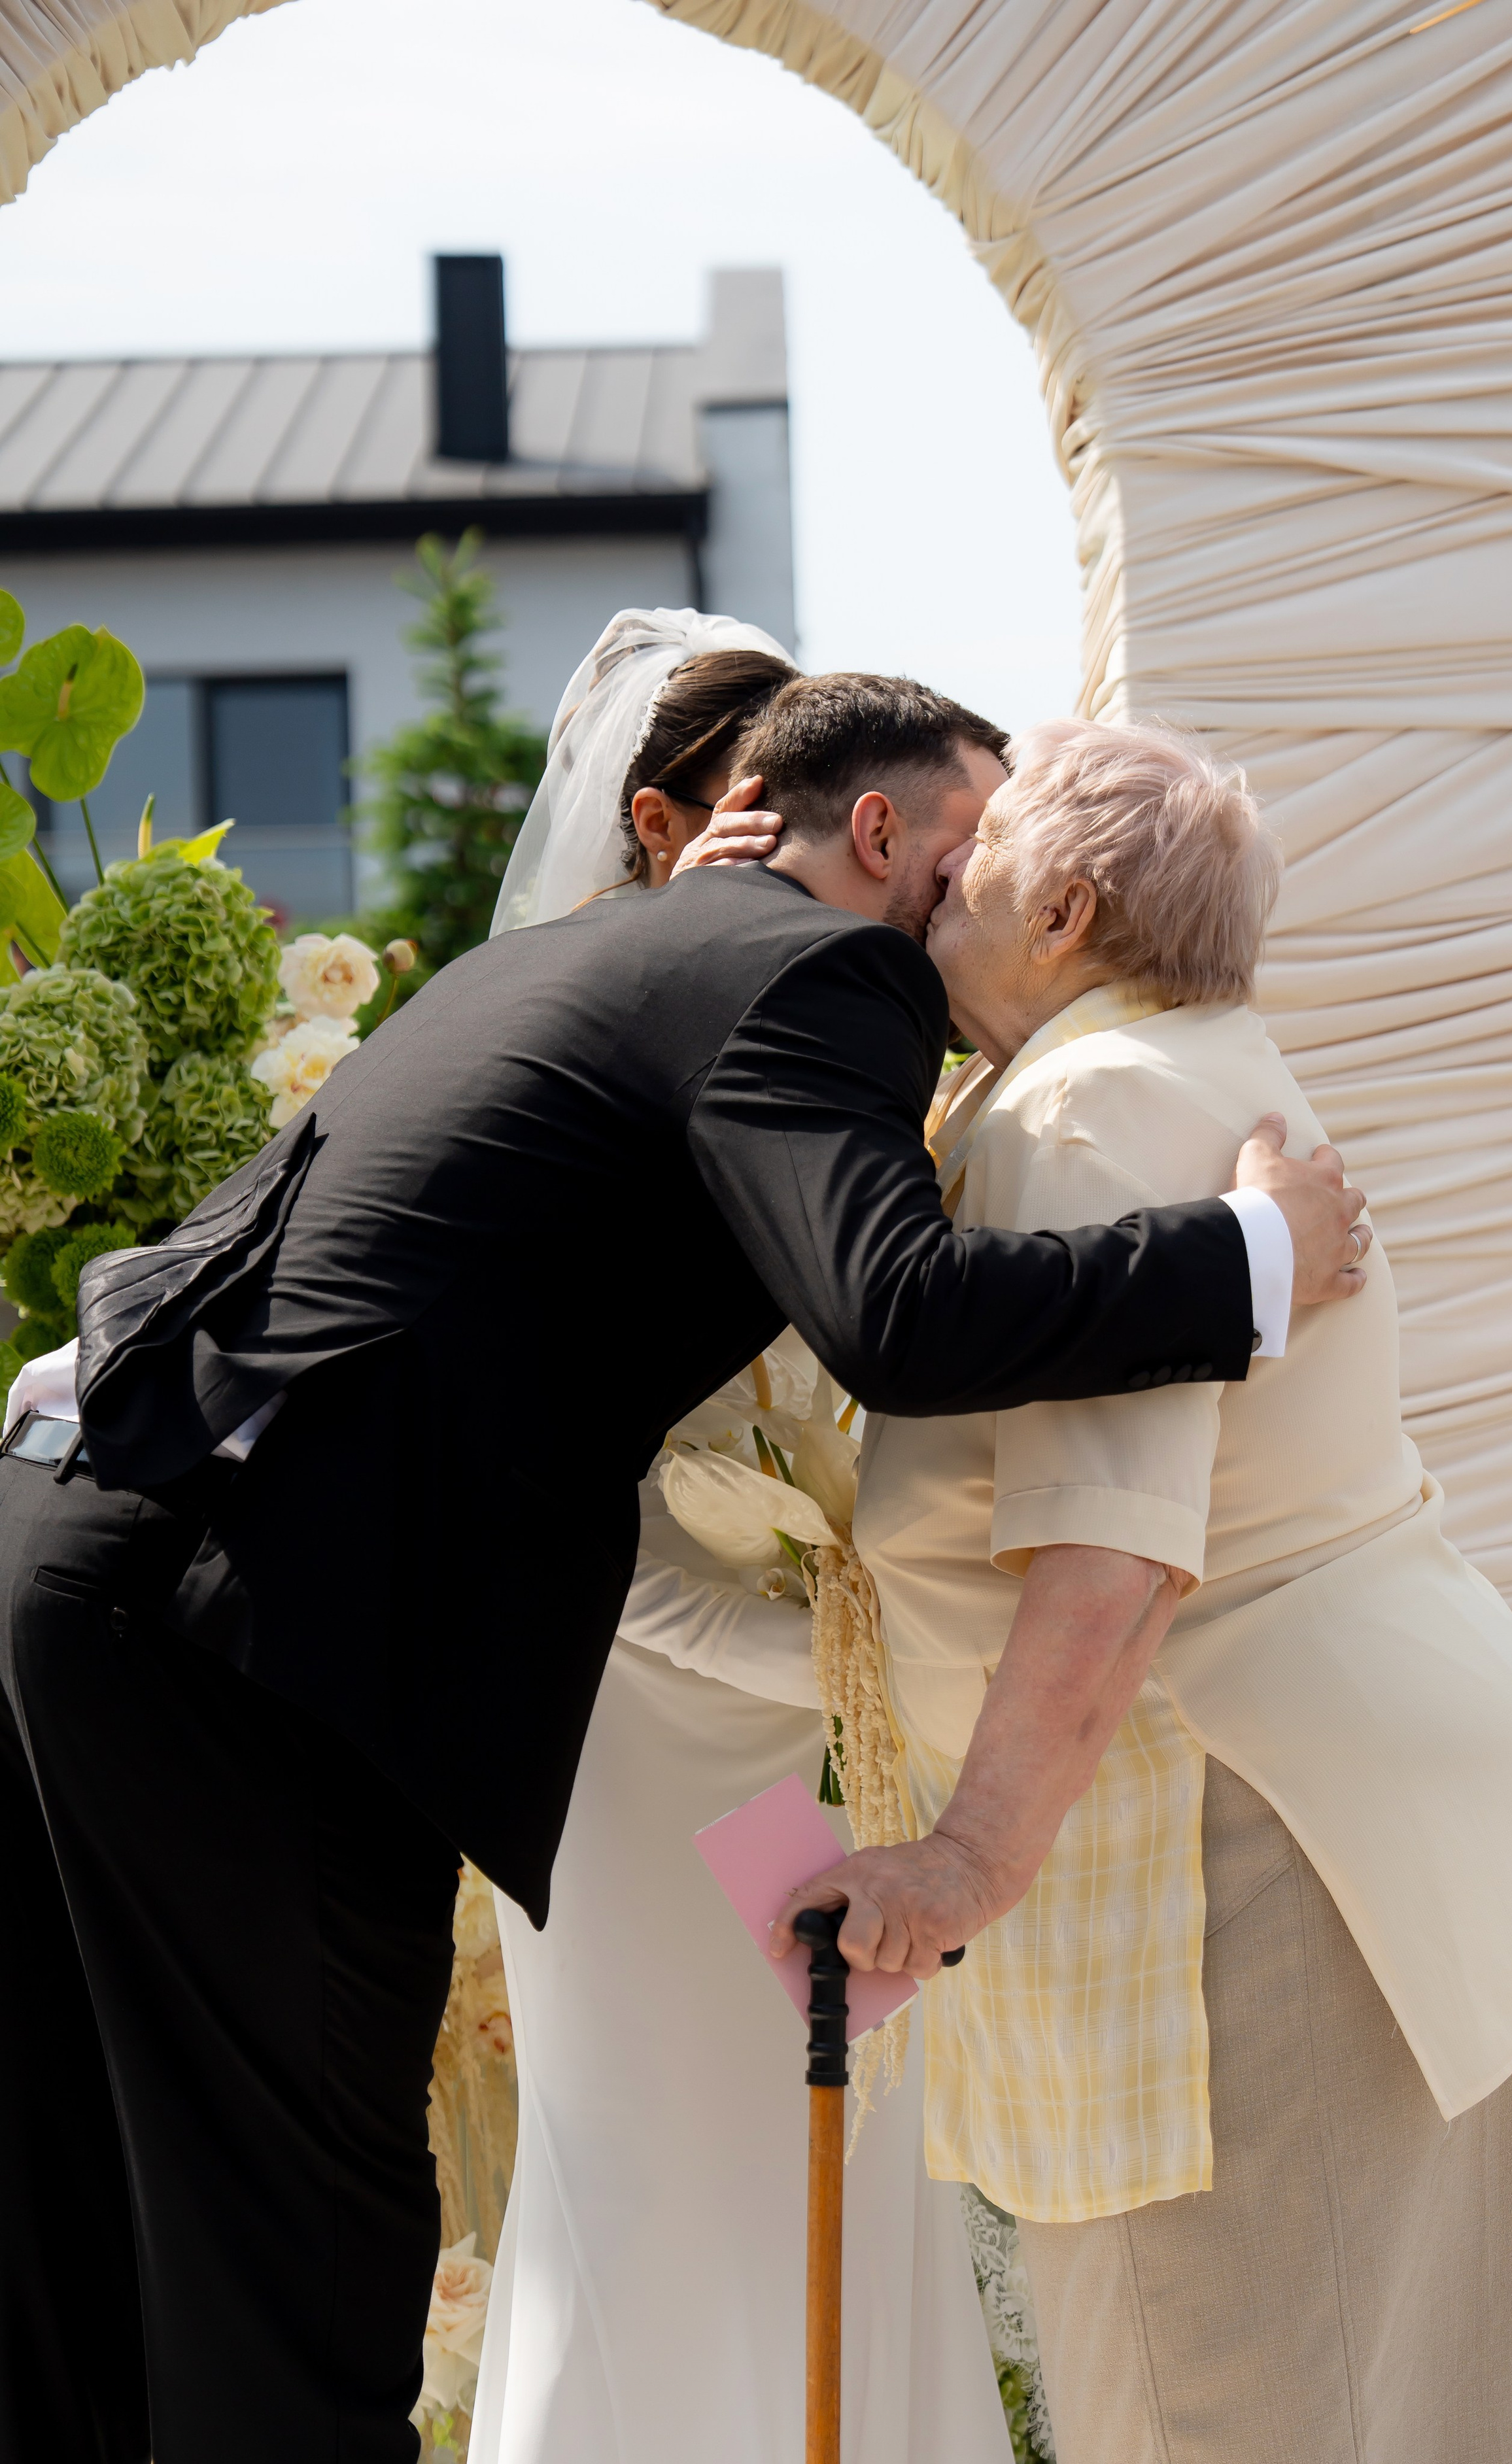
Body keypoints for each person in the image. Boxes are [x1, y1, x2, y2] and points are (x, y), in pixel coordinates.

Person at [0, 647, 1366, 2463]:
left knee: (78, 2251)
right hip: (250, 1627)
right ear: (877, 833)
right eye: (974, 845)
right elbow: (902, 1315)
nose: (1001, 895)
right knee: (298, 2265)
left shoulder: (598, 952)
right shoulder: (822, 966)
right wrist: (1249, 1257)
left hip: (83, 1534)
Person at [770, 718, 1512, 2464]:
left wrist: (966, 1859)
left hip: (1249, 1825)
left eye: (989, 852)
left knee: (1226, 2388)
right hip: (1390, 1776)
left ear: (1069, 908)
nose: (949, 870)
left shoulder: (1082, 1106)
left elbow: (1118, 1544)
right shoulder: (1211, 1060)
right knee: (1479, 2387)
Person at [468, 610, 1012, 2464]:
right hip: (644, 1714)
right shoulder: (579, 1073)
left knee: (858, 2171)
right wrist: (860, 1662)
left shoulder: (841, 1061)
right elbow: (563, 1477)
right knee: (649, 2188)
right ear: (658, 826)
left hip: (819, 1722)